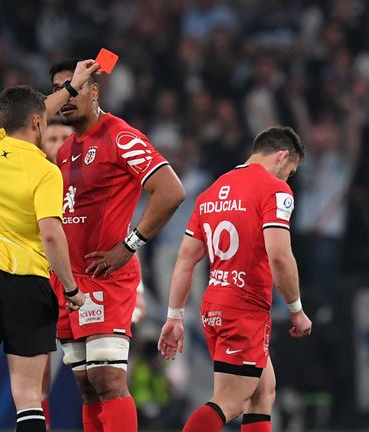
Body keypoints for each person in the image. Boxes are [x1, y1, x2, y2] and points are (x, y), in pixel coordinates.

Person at [0, 59, 99, 432]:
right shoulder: (46, 171)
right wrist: (72, 290)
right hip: (29, 287)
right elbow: (51, 234)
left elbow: (32, 111)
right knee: (29, 396)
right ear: (37, 123)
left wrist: (69, 87)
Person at [48, 57, 185, 432]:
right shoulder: (65, 150)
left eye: (74, 87)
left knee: (108, 380)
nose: (66, 96)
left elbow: (171, 190)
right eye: (59, 90)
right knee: (86, 385)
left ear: (94, 90)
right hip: (70, 282)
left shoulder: (120, 136)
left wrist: (130, 244)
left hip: (105, 278)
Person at [158, 126, 313, 432]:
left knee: (263, 392)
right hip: (244, 310)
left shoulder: (212, 191)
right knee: (230, 401)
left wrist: (174, 315)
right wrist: (296, 309)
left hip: (216, 306)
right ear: (282, 156)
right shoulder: (274, 190)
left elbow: (186, 259)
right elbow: (279, 256)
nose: (287, 179)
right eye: (290, 172)